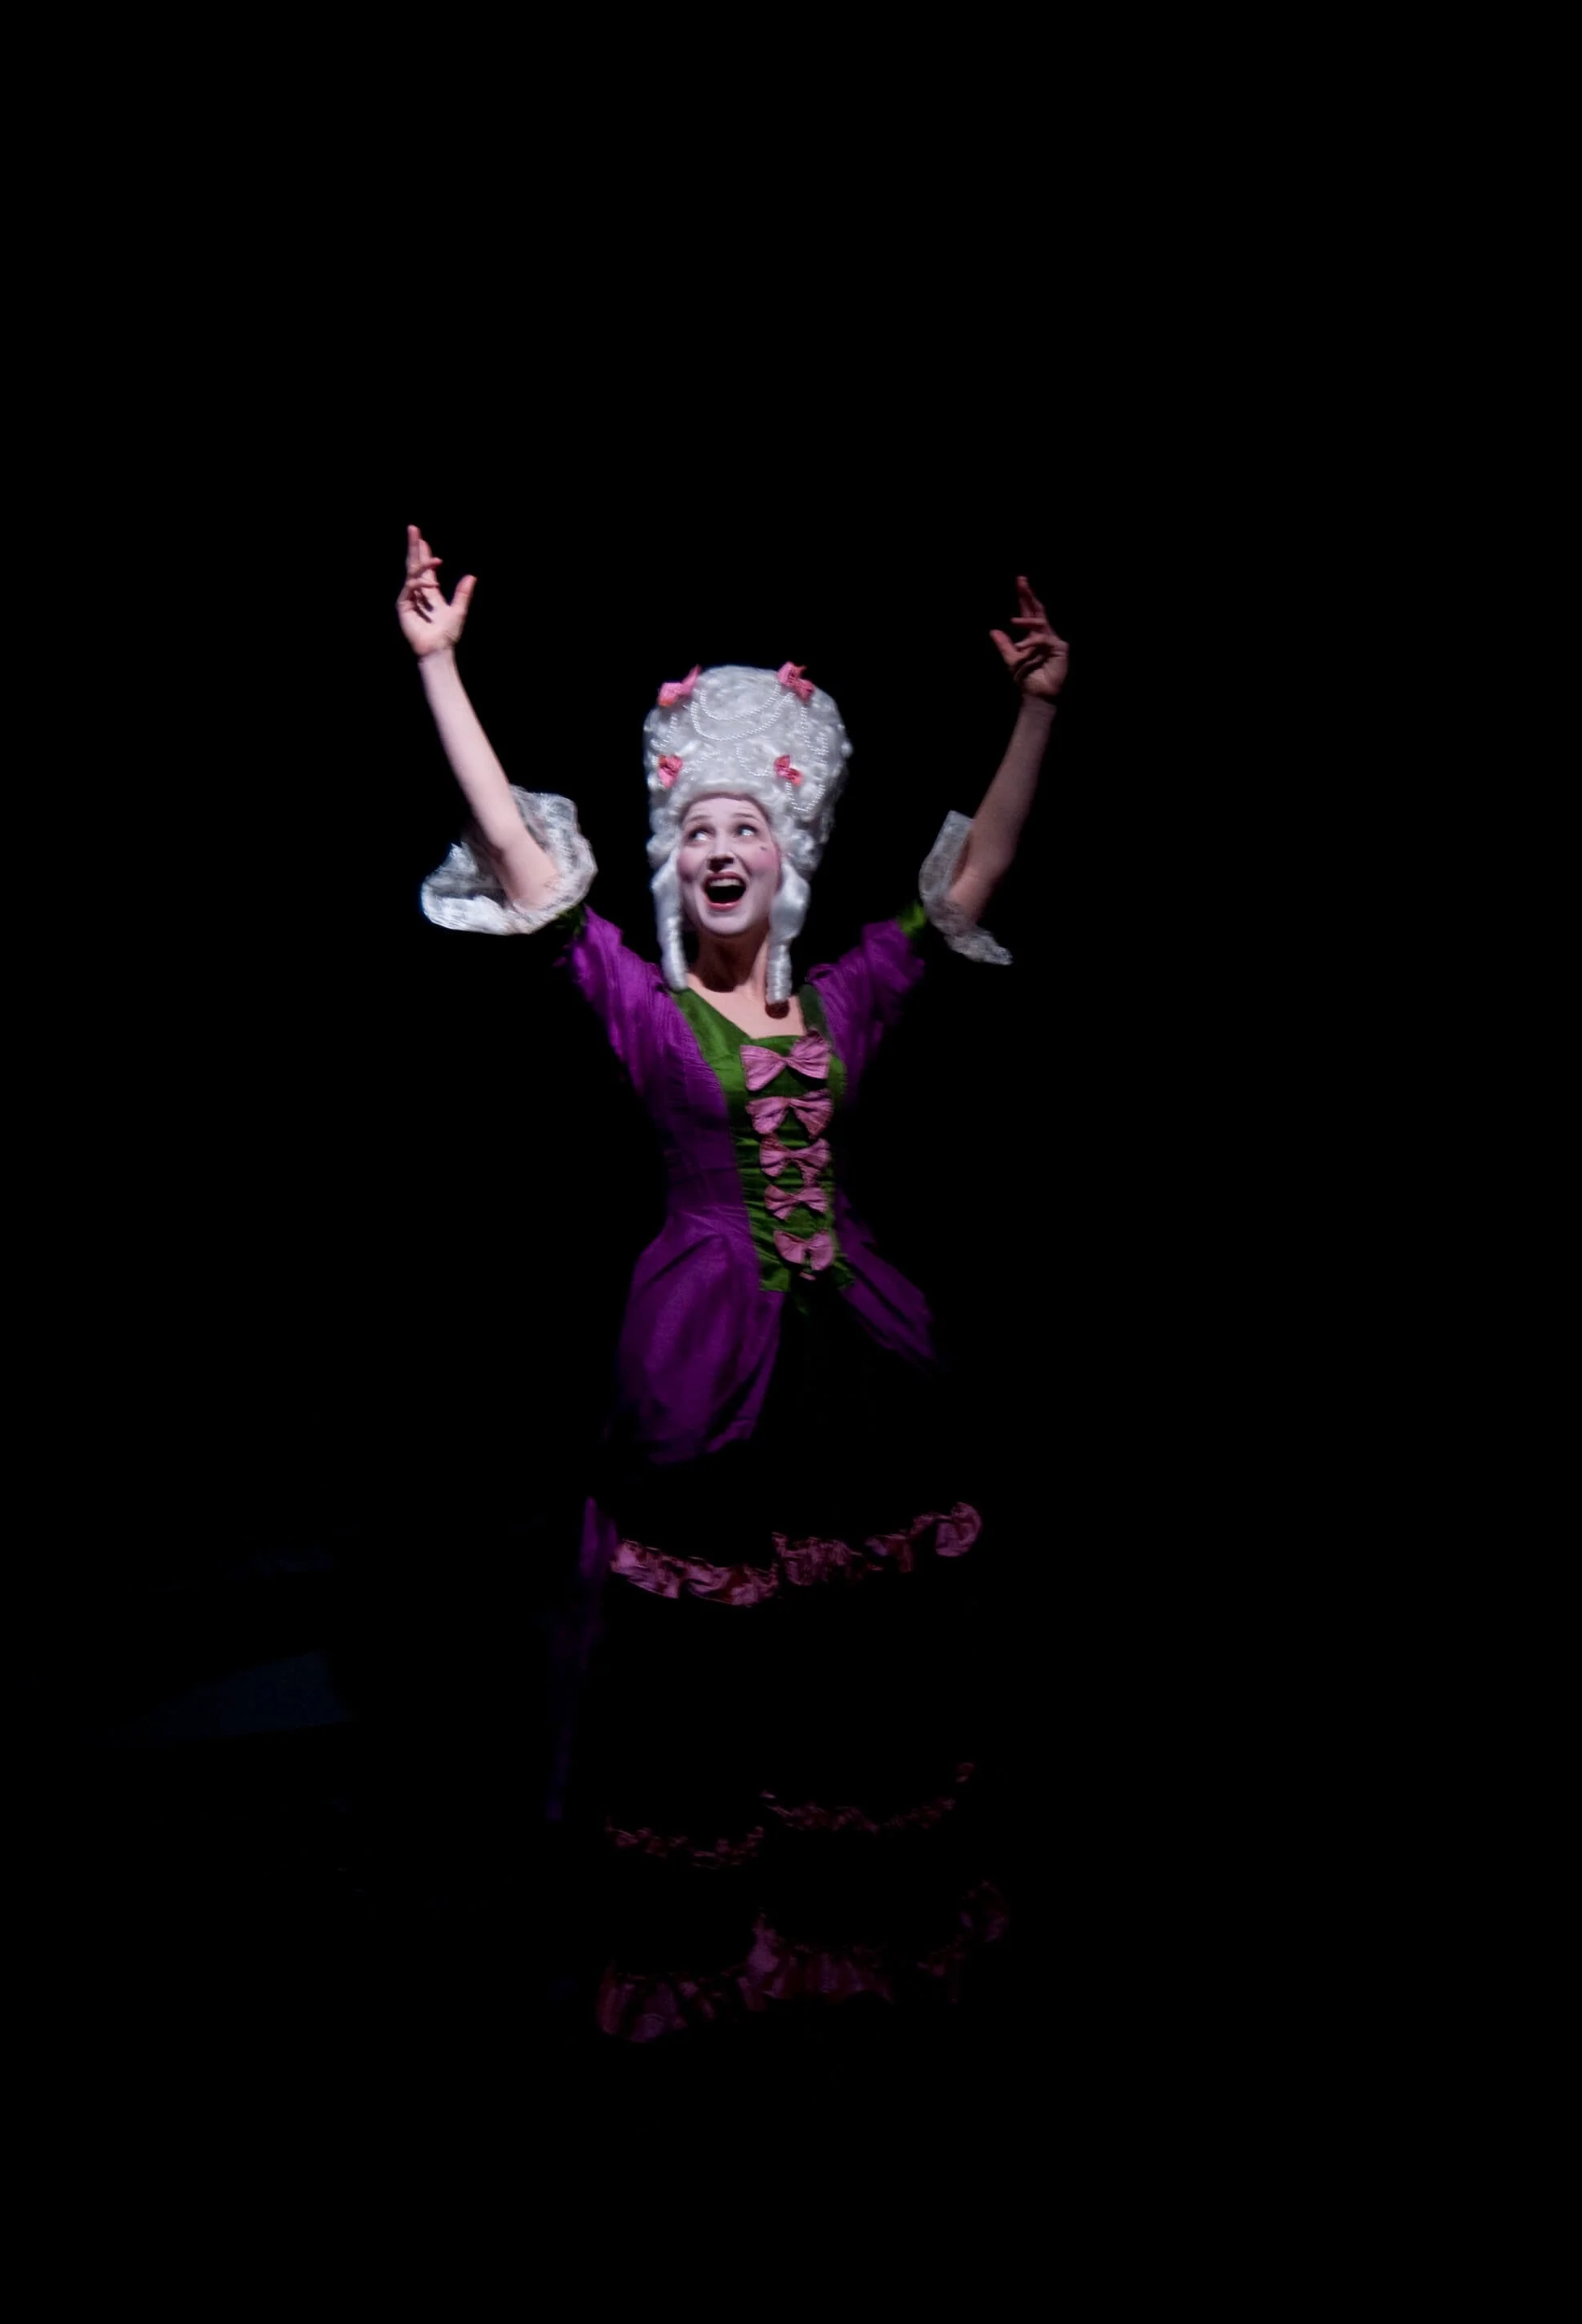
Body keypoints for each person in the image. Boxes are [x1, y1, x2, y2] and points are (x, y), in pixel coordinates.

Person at [398, 527, 1068, 2053]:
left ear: (783, 856)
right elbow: (514, 854)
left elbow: (975, 874)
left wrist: (1039, 707)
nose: (719, 848)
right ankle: (719, 1953)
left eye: (745, 829)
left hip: (858, 1368)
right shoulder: (641, 1003)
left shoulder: (846, 1000)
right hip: (704, 1365)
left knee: (858, 1660)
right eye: (696, 825)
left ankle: (862, 1933)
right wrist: (442, 666)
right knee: (702, 1675)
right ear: (671, 849)